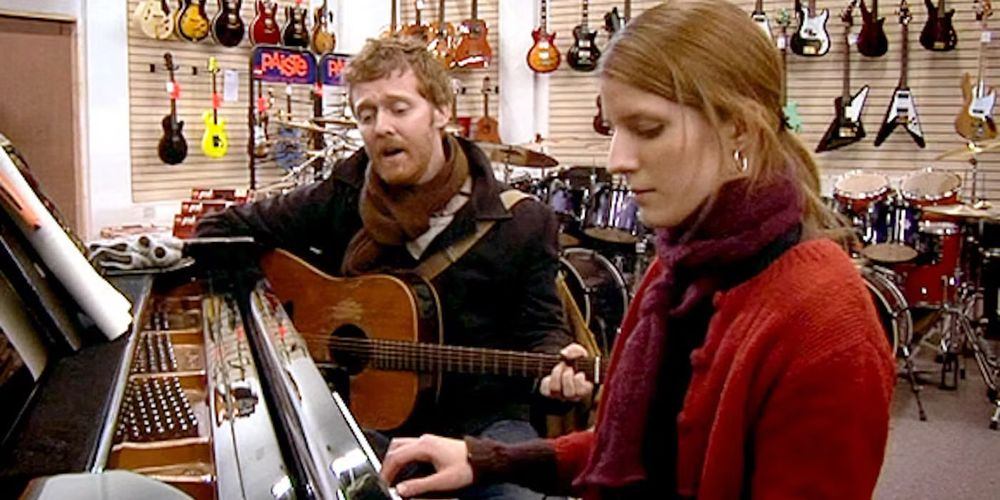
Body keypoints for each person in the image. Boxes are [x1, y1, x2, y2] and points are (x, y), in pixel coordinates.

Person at [379, 1, 897, 498]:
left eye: (647, 129)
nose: (618, 158)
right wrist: (487, 460)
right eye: (614, 127)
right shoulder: (683, 263)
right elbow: (640, 454)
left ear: (738, 125)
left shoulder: (826, 321)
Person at [195, 35, 586, 499]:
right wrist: (286, 314)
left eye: (399, 109)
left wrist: (558, 368)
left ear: (441, 111)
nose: (380, 127)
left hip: (486, 426)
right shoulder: (344, 191)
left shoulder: (521, 221)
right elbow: (222, 229)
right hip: (369, 422)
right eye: (366, 114)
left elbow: (541, 330)